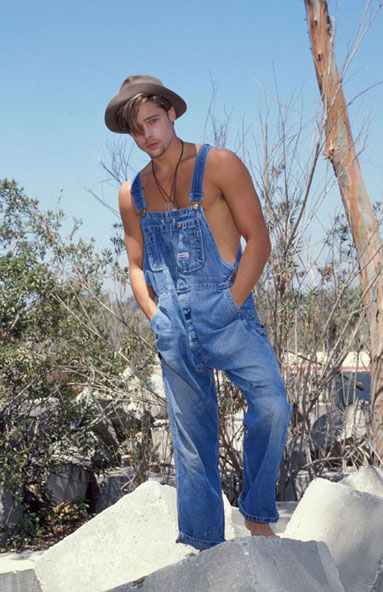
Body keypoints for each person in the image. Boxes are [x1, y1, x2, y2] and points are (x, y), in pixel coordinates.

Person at [105, 75, 291, 551]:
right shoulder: (133, 192)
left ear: (171, 113)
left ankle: (257, 515)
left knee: (272, 404)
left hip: (226, 312)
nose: (148, 134)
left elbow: (260, 241)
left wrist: (230, 304)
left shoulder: (219, 164)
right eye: (137, 129)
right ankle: (205, 545)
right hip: (174, 325)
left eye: (152, 120)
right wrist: (156, 315)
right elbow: (135, 263)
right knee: (192, 442)